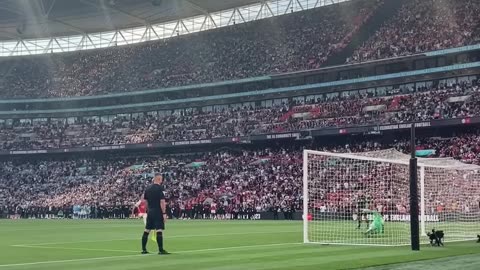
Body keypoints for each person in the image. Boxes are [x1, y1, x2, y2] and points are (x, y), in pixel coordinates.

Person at [141, 173, 170, 255]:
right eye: (161, 179)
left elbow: (145, 201)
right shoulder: (160, 188)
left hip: (150, 211)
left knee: (147, 230)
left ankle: (143, 249)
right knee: (159, 229)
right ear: (159, 179)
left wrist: (147, 210)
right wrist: (164, 213)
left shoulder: (148, 188)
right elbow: (162, 201)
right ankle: (160, 250)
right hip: (158, 211)